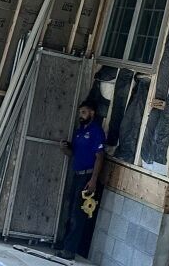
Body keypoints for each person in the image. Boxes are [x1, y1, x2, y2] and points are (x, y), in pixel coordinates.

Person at [58, 98, 105, 261]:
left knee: (79, 215)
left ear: (92, 113)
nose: (81, 115)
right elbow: (74, 154)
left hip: (87, 176)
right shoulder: (79, 131)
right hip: (76, 174)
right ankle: (64, 245)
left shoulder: (96, 131)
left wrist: (93, 180)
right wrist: (65, 149)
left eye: (84, 112)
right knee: (70, 211)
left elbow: (99, 157)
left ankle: (69, 251)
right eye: (80, 112)